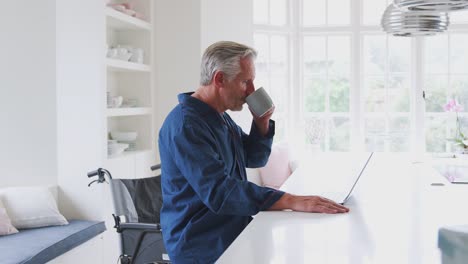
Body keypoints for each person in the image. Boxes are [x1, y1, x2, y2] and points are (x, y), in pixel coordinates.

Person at [158, 41, 349, 263]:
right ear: (220, 79)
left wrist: (262, 124)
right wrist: (291, 200)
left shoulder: (219, 116)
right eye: (245, 82)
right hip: (201, 244)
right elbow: (221, 192)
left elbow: (253, 157)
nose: (251, 91)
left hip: (229, 229)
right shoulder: (187, 125)